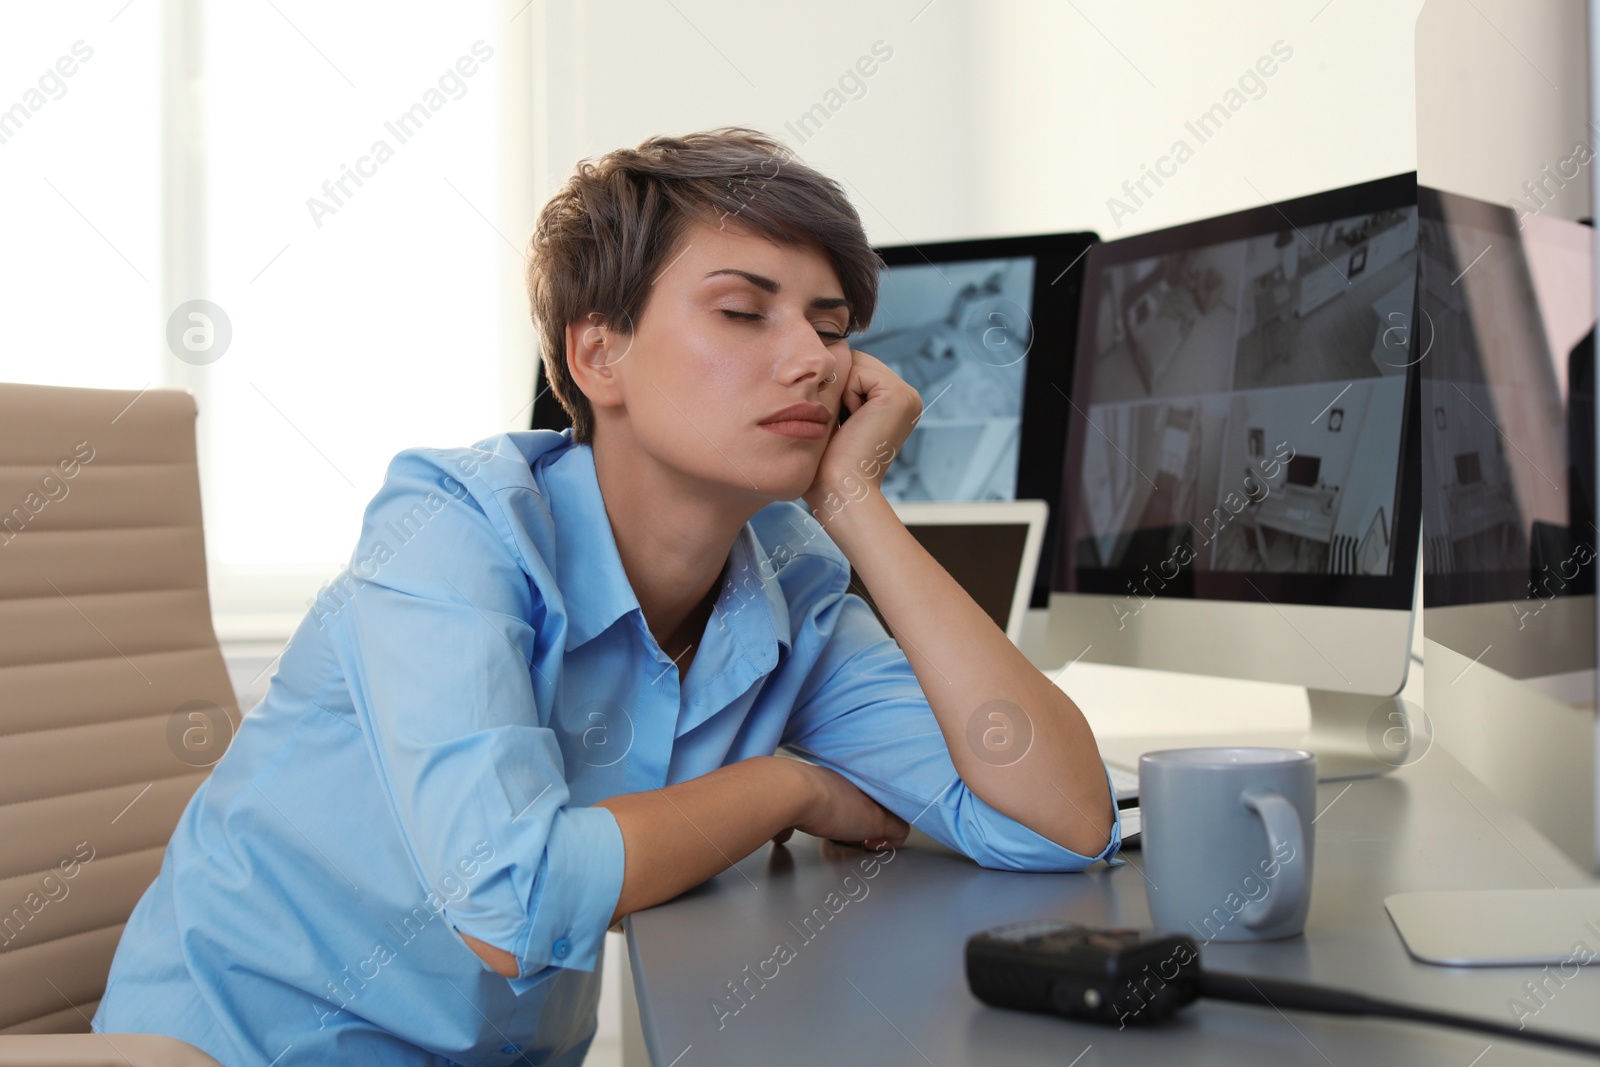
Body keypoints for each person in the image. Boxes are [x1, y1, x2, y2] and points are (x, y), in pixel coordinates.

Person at [93, 127, 1119, 1066]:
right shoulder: (450, 529)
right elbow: (511, 900)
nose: (813, 359)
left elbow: (1059, 822)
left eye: (831, 324)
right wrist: (790, 786)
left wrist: (854, 502)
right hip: (239, 1048)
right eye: (742, 310)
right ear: (598, 355)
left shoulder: (791, 580)